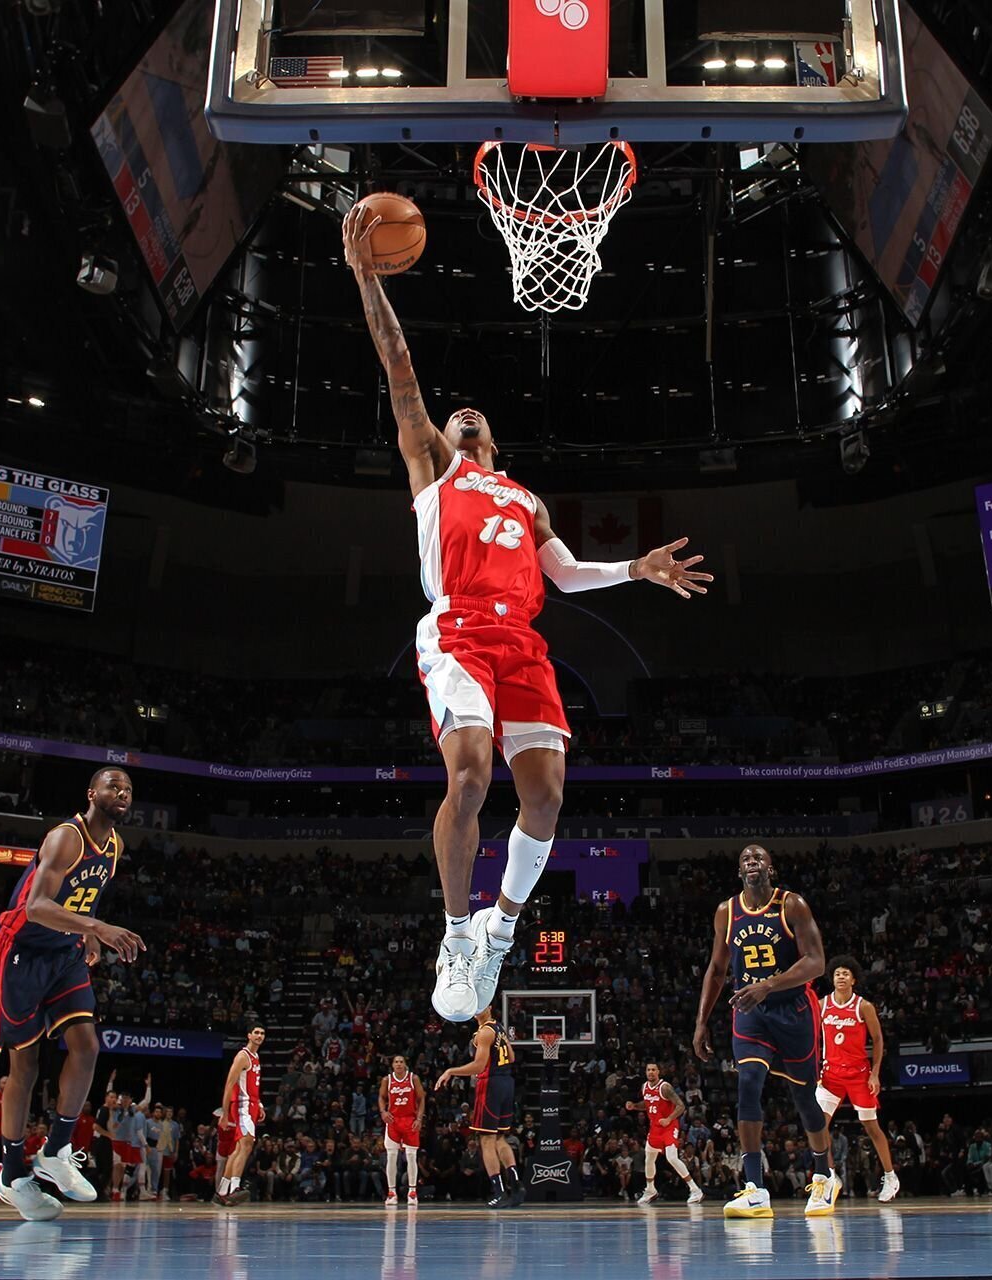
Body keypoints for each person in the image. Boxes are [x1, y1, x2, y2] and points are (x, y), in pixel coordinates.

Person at [344, 203, 712, 1022]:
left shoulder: (523, 496)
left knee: (544, 798)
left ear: (498, 445)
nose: (463, 414)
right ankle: (453, 932)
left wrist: (636, 568)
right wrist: (369, 279)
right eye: (452, 417)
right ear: (438, 435)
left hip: (523, 642)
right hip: (458, 632)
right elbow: (399, 365)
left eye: (478, 419)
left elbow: (567, 575)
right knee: (471, 774)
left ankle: (499, 929)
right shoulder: (435, 473)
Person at [0, 769, 144, 1221]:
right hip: (22, 951)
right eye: (114, 786)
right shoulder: (65, 837)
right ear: (92, 793)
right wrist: (97, 928)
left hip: (64, 951)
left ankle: (55, 1150)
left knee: (87, 1045)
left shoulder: (114, 848)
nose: (122, 794)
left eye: (128, 789)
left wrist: (87, 933)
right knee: (25, 1065)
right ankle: (12, 1175)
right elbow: (36, 906)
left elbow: (81, 899)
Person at [692, 844, 838, 1219]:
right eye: (744, 859)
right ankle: (755, 1187)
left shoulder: (792, 905)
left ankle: (824, 1175)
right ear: (739, 870)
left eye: (758, 858)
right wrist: (701, 1021)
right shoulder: (727, 912)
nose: (751, 862)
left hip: (793, 1010)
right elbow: (717, 969)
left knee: (805, 1100)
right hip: (750, 1012)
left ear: (770, 869)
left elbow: (817, 963)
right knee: (748, 1083)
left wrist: (768, 985)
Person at [815, 955, 900, 1203]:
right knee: (817, 1127)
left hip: (858, 1074)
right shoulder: (822, 1005)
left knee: (871, 1127)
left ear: (853, 979)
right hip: (830, 1073)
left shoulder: (863, 1006)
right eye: (837, 973)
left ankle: (890, 1176)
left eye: (845, 973)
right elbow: (814, 1039)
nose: (840, 977)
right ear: (832, 978)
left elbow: (878, 1039)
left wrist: (875, 1073)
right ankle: (830, 1175)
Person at [435, 1006, 524, 1208]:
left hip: (491, 1085)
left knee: (486, 1140)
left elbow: (478, 1065)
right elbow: (511, 1057)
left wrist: (451, 1071)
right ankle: (516, 1185)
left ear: (489, 1008)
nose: (477, 1010)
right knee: (500, 1138)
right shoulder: (499, 1027)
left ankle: (499, 1191)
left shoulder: (484, 1032)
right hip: (507, 1083)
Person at [629, 1061, 703, 1205]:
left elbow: (681, 1106)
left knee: (672, 1158)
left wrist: (669, 1119)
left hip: (669, 1127)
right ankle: (650, 1190)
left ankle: (695, 1190)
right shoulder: (644, 1087)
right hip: (655, 1128)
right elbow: (648, 1104)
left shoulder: (665, 1087)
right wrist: (635, 1106)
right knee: (649, 1159)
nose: (650, 1072)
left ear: (658, 1072)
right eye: (648, 1069)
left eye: (653, 1070)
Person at [216, 1026, 266, 1205]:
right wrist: (224, 1113)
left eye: (262, 1033)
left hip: (251, 1106)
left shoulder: (256, 1057)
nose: (259, 1036)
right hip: (242, 1107)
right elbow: (229, 1085)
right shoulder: (242, 1056)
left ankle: (222, 1191)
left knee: (238, 1149)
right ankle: (235, 1188)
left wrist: (259, 1104)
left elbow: (252, 1086)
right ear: (249, 1036)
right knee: (246, 1145)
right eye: (256, 1033)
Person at [380, 1053, 425, 1205]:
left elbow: (421, 1099)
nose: (399, 1064)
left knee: (412, 1156)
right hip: (393, 1121)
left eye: (401, 1062)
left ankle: (412, 1192)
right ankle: (391, 1192)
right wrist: (383, 1112)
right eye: (396, 1062)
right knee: (391, 1157)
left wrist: (419, 1118)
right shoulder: (387, 1080)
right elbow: (381, 1097)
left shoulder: (413, 1078)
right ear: (392, 1065)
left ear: (405, 1064)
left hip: (410, 1120)